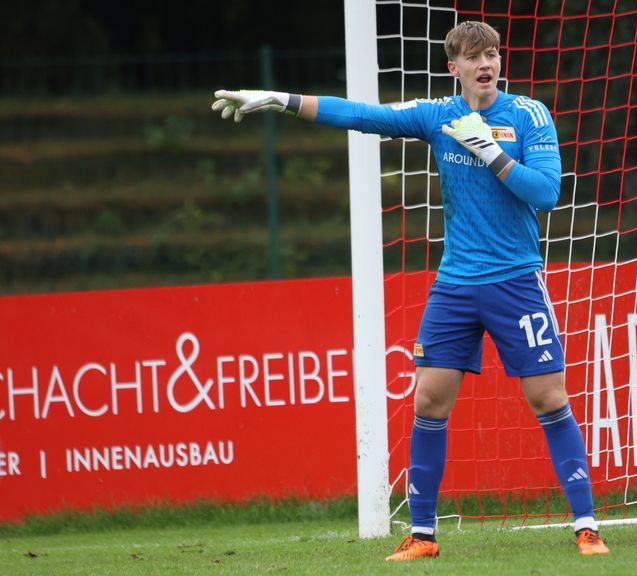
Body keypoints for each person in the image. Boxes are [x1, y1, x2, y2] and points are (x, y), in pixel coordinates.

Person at [212, 20, 609, 561]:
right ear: (455, 67)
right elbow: (360, 115)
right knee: (427, 398)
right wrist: (279, 99)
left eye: (491, 53)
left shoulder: (528, 115)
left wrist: (490, 151)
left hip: (516, 280)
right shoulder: (439, 115)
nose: (485, 63)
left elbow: (545, 193)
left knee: (548, 397)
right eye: (473, 56)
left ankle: (587, 528)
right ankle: (423, 535)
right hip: (455, 285)